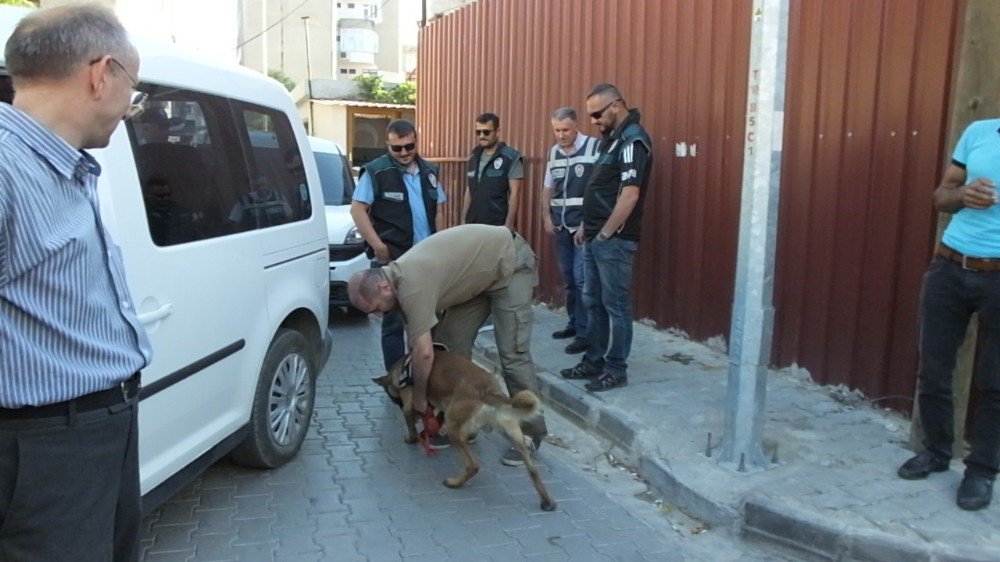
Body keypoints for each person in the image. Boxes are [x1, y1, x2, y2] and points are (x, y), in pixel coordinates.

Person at [0, 5, 153, 561]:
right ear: (100, 73)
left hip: (87, 435)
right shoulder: (6, 168)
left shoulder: (57, 164)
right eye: (132, 87)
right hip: (43, 448)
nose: (130, 107)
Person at [347, 224, 548, 466]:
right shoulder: (395, 283)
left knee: (512, 353)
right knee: (450, 343)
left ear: (383, 287)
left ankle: (531, 432)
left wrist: (420, 397)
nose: (379, 316)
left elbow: (423, 354)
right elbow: (418, 340)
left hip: (509, 265)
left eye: (377, 308)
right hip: (477, 277)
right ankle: (466, 420)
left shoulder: (410, 285)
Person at [896, 118, 1000, 511]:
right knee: (934, 368)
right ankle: (937, 452)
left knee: (994, 382)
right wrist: (963, 197)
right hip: (949, 265)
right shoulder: (978, 132)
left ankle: (982, 470)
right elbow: (941, 196)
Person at [560, 83, 652, 393]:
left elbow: (629, 194)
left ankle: (616, 368)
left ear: (617, 105)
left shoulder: (633, 140)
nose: (594, 121)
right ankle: (595, 360)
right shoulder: (610, 141)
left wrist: (605, 233)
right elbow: (600, 188)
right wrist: (588, 226)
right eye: (591, 116)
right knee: (593, 301)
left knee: (616, 306)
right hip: (596, 236)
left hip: (613, 240)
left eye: (597, 114)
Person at [350, 119, 446, 372]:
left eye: (409, 146)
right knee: (392, 322)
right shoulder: (376, 172)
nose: (404, 153)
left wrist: (441, 243)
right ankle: (396, 379)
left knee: (428, 319)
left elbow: (438, 210)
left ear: (416, 140)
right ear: (387, 145)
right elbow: (357, 210)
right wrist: (379, 246)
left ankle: (424, 372)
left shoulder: (430, 171)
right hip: (393, 259)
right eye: (397, 148)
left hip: (426, 259)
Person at [542, 107, 600, 355]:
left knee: (581, 279)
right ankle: (574, 324)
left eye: (565, 130)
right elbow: (547, 188)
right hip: (560, 226)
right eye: (557, 130)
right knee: (569, 279)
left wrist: (587, 225)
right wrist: (546, 216)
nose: (561, 135)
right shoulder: (554, 152)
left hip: (581, 227)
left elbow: (599, 190)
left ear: (576, 126)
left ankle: (585, 334)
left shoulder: (594, 148)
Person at [462, 112, 523, 229]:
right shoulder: (473, 158)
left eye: (486, 132)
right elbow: (469, 190)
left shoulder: (511, 158)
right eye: (478, 132)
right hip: (473, 223)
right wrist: (463, 220)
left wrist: (509, 225)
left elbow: (515, 193)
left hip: (497, 224)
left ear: (497, 132)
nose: (481, 136)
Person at [143, 174, 199, 245]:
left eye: (168, 195)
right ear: (147, 197)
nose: (166, 198)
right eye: (160, 196)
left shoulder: (182, 214)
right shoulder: (142, 217)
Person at [228, 171, 293, 230]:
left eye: (263, 184)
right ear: (252, 186)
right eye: (257, 186)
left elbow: (289, 216)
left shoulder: (279, 197)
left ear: (267, 183)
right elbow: (234, 221)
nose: (261, 188)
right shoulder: (244, 201)